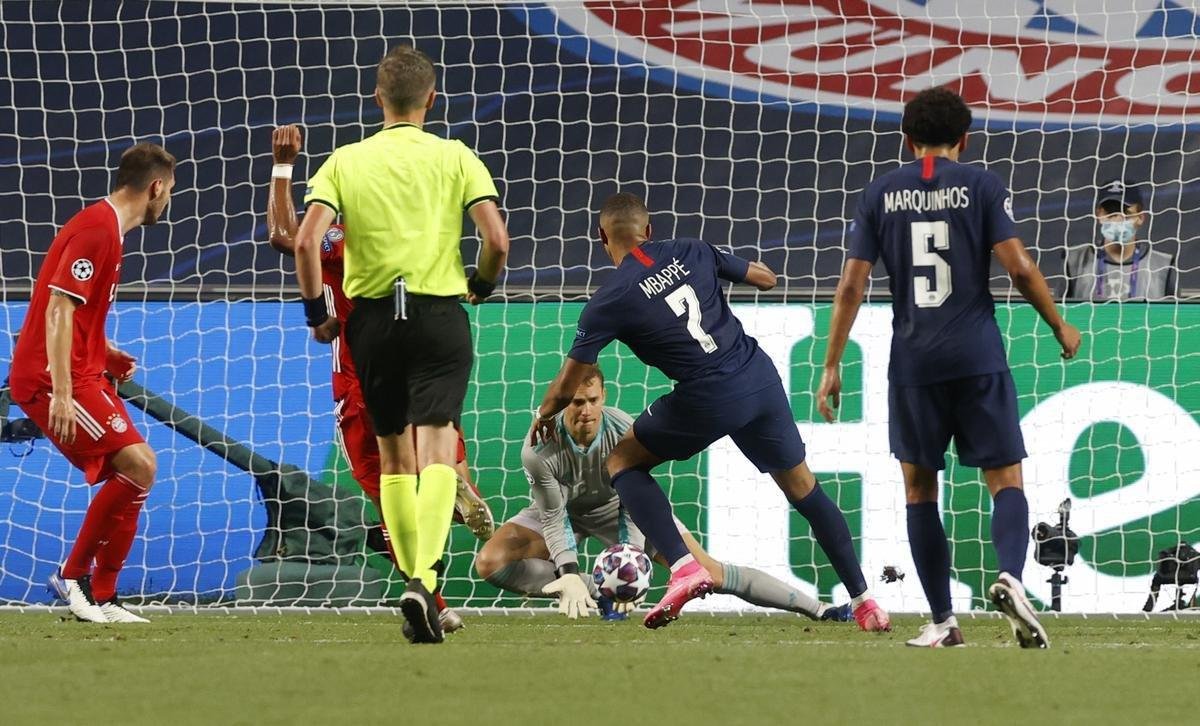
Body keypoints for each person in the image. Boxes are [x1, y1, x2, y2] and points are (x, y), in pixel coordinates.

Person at [531, 193, 888, 632]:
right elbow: (767, 279)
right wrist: (715, 266)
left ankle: (684, 566)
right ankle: (866, 601)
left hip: (707, 395)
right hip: (758, 379)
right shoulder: (692, 249)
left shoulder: (608, 301)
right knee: (804, 490)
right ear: (650, 230)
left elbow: (569, 383)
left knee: (622, 461)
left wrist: (545, 414)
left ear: (602, 236)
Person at [817, 87, 1082, 648]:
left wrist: (832, 364)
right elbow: (1020, 268)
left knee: (919, 490)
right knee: (1005, 479)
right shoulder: (983, 185)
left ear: (907, 139)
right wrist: (1058, 324)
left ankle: (943, 621)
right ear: (965, 138)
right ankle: (1010, 574)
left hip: (914, 362)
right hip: (978, 355)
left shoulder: (880, 193)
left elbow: (851, 285)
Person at [293, 46, 509, 644]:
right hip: (439, 314)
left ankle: (415, 582)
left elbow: (307, 241)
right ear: (432, 99)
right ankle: (423, 577)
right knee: (438, 451)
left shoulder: (344, 161)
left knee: (394, 459)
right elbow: (497, 238)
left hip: (370, 323)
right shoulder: (457, 156)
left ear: (377, 98)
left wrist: (319, 314)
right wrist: (482, 285)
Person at [478, 367, 852, 621]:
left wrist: (632, 564)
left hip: (620, 507)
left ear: (603, 395)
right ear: (563, 403)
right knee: (491, 562)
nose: (587, 410)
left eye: (593, 400)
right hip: (564, 512)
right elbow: (553, 516)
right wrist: (570, 573)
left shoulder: (624, 430)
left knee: (708, 571)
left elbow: (634, 500)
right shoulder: (539, 447)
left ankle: (820, 610)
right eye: (577, 402)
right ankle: (592, 590)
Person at [8, 142, 176, 624]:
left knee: (139, 471)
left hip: (82, 371)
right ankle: (74, 576)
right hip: (49, 378)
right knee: (140, 464)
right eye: (168, 195)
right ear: (155, 187)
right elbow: (58, 310)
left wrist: (106, 352)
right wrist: (61, 391)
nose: (166, 205)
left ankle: (103, 595)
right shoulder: (96, 230)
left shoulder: (109, 232)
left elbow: (75, 314)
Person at [1064, 180, 1176, 301]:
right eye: (1111, 213)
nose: (1117, 220)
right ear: (1098, 215)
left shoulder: (1163, 265)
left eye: (1126, 213)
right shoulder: (1074, 260)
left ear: (1140, 218)